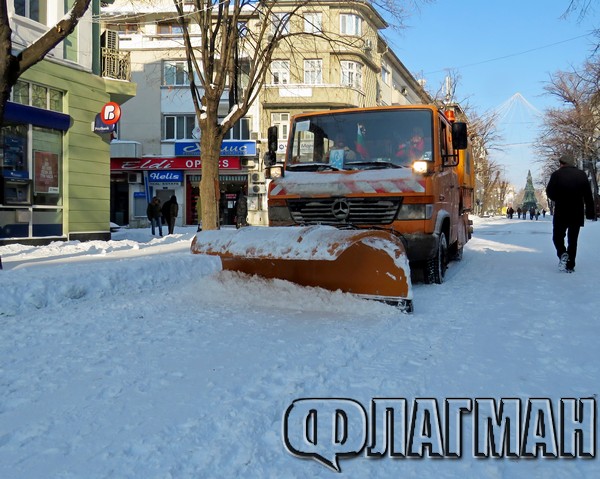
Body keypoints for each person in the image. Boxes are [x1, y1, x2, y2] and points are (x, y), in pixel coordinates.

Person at [545, 153, 596, 272]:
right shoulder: (581, 175)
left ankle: (562, 254)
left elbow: (550, 192)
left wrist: (558, 199)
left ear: (562, 163)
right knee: (573, 240)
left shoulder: (556, 175)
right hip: (576, 212)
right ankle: (570, 265)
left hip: (561, 211)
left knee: (557, 236)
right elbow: (588, 196)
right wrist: (590, 213)